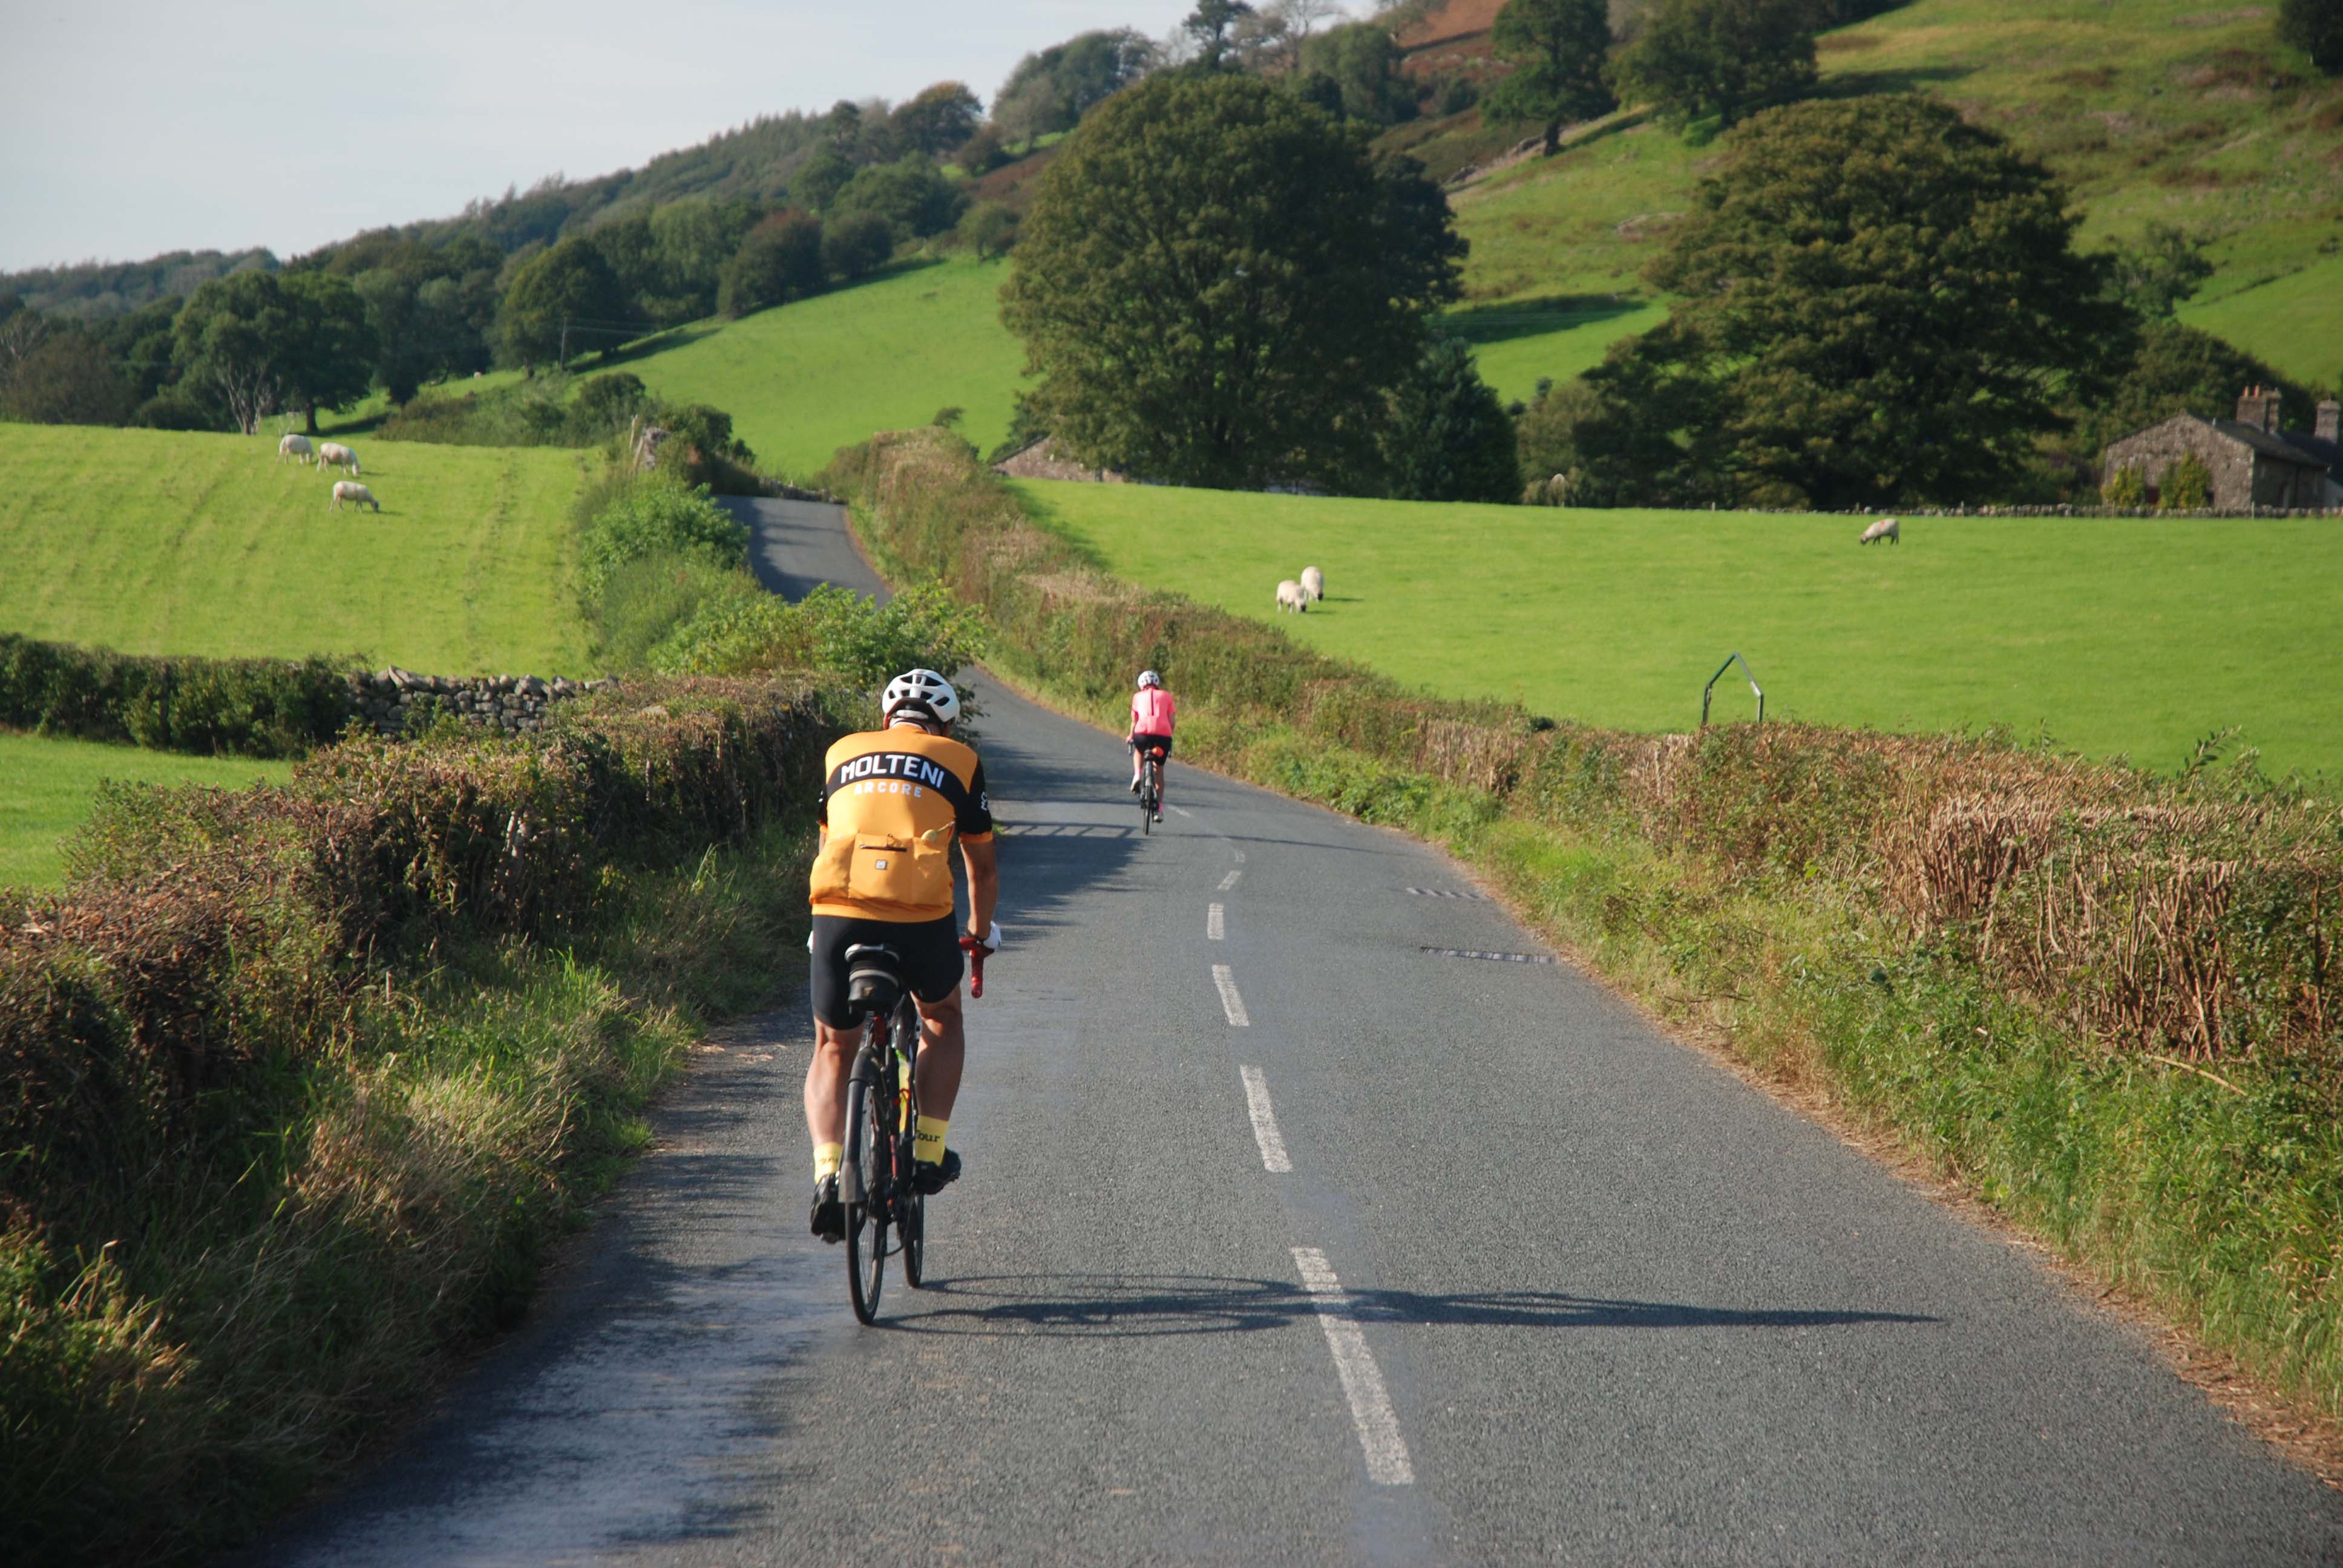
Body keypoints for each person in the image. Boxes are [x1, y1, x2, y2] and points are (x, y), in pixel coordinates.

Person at [804, 668, 1001, 1243]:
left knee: (832, 1044)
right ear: (943, 723)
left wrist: (819, 927)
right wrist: (980, 932)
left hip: (836, 913)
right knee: (941, 1016)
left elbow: (827, 840)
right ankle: (928, 1152)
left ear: (887, 719)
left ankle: (826, 1173)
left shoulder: (842, 752)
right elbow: (981, 865)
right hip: (918, 918)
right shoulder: (957, 759)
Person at [1126, 668, 1175, 822]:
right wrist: (1169, 735)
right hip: (1162, 738)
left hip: (1142, 735)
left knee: (1139, 751)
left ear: (1141, 684)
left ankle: (1137, 774)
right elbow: (1172, 720)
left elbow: (1135, 721)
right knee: (1159, 771)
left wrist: (1130, 736)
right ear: (1157, 684)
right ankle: (1159, 809)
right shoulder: (1167, 696)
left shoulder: (1137, 697)